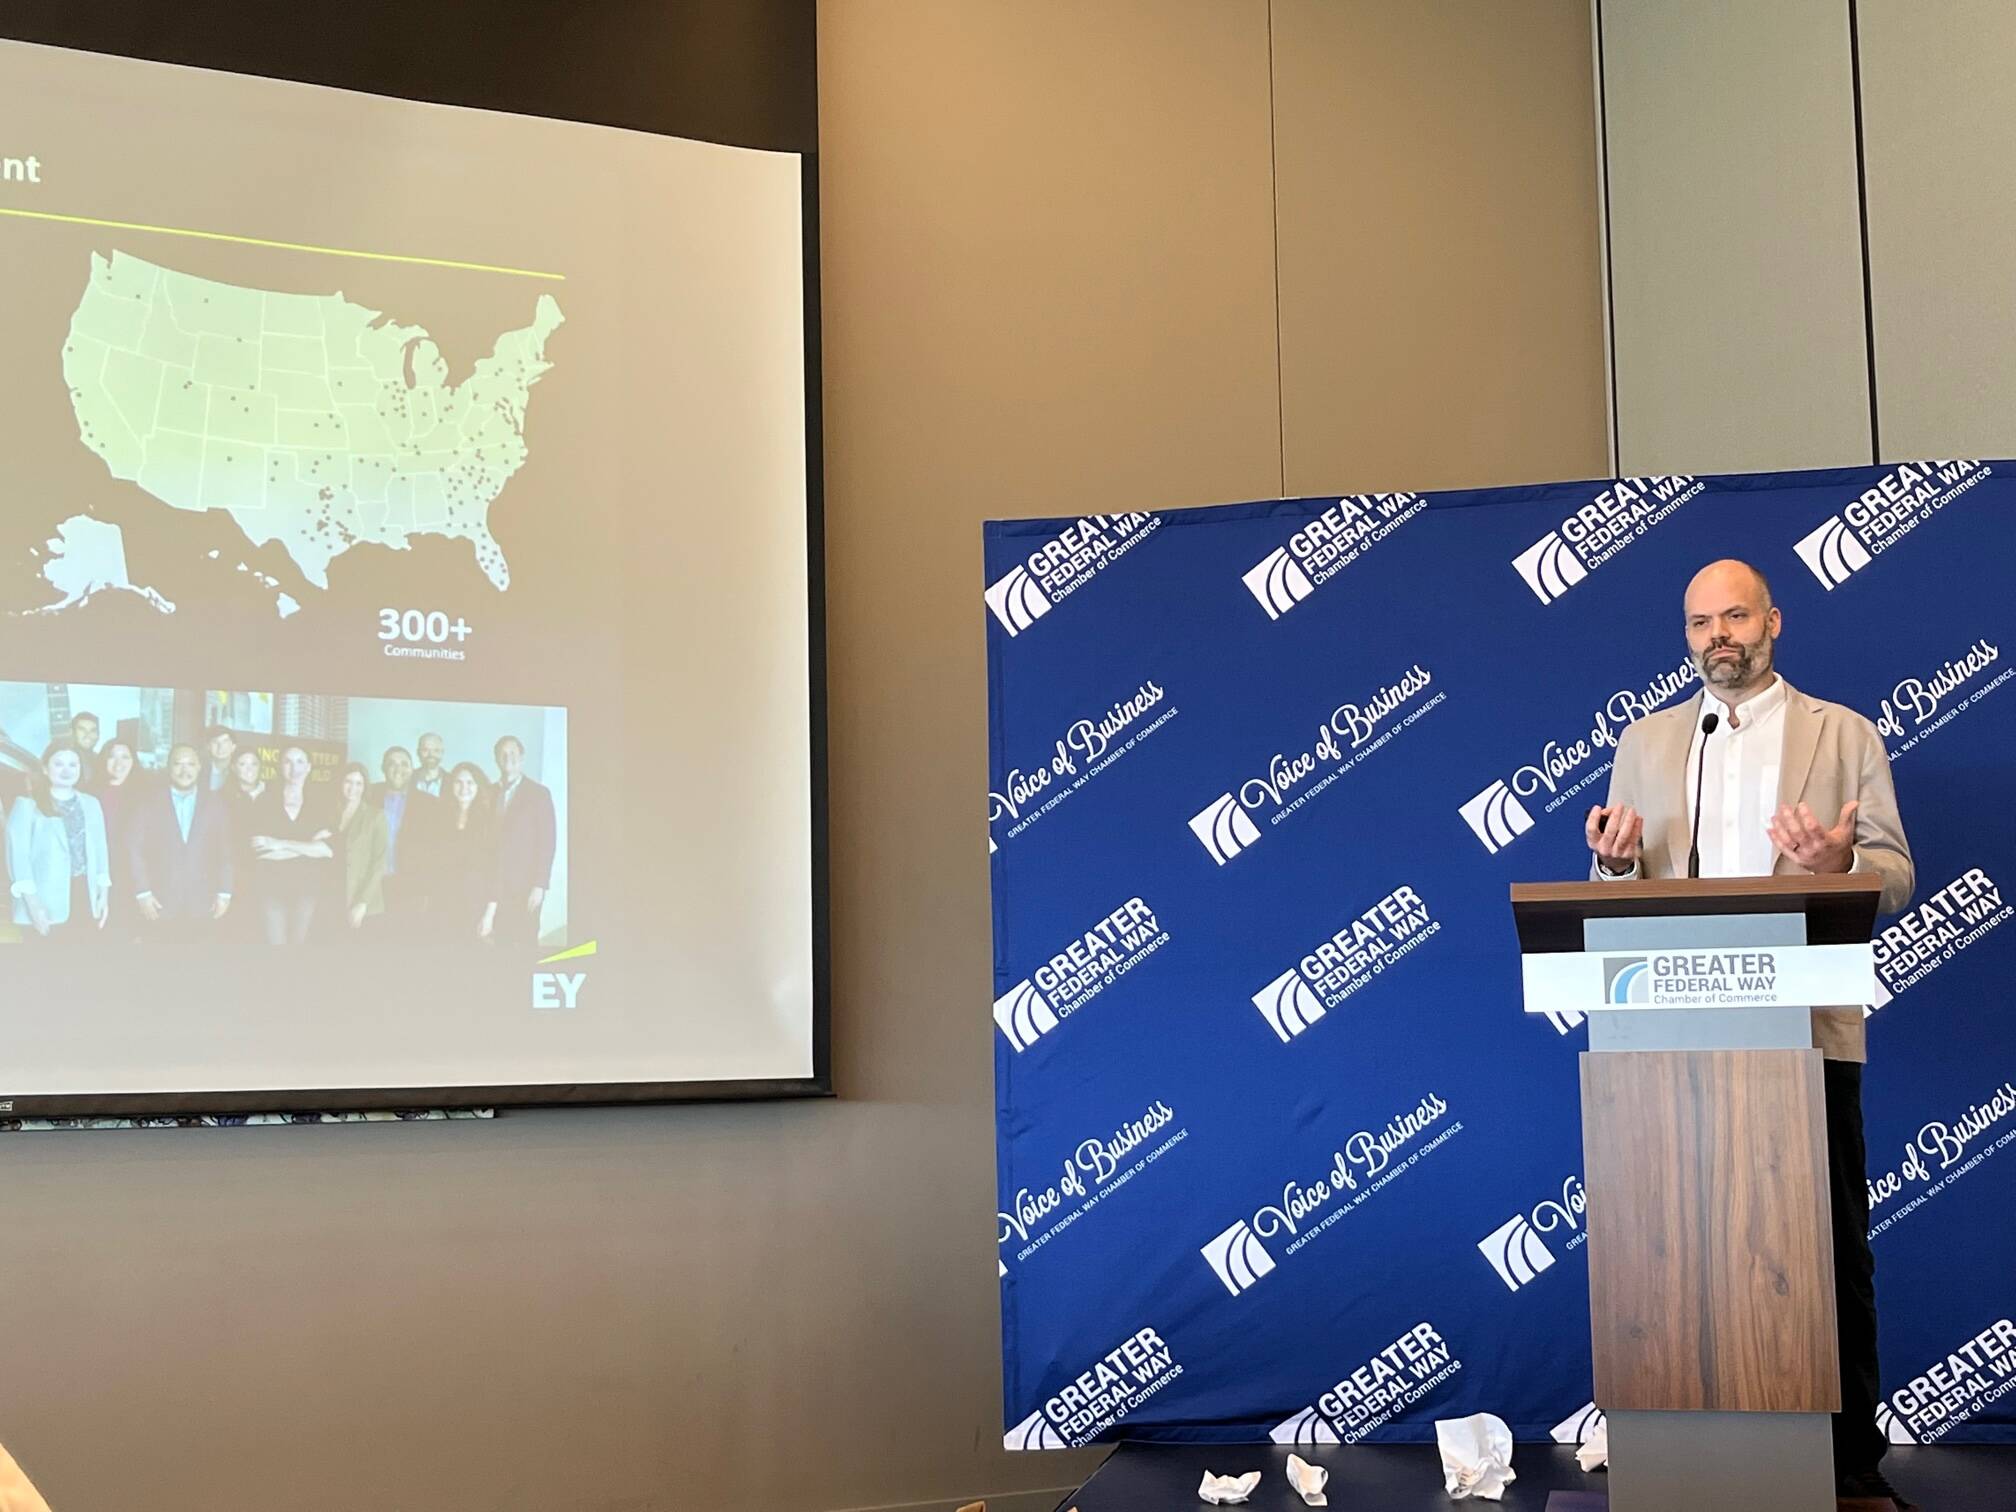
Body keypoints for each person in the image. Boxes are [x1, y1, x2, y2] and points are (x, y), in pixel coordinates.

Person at [1587, 559, 1915, 1512]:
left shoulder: (1842, 733)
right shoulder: (1645, 742)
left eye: (1734, 616)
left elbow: (1894, 875)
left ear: (1773, 621)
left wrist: (1838, 859)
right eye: (1699, 622)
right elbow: (1620, 890)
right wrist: (1609, 872)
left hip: (1806, 1032)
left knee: (1827, 1249)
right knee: (1667, 1246)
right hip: (1664, 1045)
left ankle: (1851, 1465)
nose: (1717, 635)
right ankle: (1680, 1460)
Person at [5, 740, 110, 939]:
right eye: (58, 764)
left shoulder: (91, 803)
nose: (66, 770)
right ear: (45, 768)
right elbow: (18, 859)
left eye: (73, 764)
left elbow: (100, 849)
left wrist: (103, 894)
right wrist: (34, 906)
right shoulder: (27, 805)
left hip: (84, 897)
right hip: (42, 900)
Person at [127, 743, 233, 940]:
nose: (185, 770)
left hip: (203, 902)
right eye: (178, 764)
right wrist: (142, 892)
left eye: (190, 764)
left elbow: (226, 852)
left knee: (199, 965)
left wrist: (224, 892)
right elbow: (135, 849)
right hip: (159, 902)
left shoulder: (215, 803)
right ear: (168, 767)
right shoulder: (148, 802)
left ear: (200, 767)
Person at [247, 745, 332, 945]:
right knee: (276, 948)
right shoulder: (264, 801)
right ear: (279, 767)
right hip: (271, 887)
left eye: (300, 761)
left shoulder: (321, 803)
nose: (294, 768)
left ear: (309, 767)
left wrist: (279, 843)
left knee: (298, 948)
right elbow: (261, 851)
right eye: (287, 761)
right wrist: (308, 847)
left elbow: (326, 850)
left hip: (307, 888)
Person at [491, 735, 556, 947]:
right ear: (496, 759)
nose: (507, 757)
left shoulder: (539, 794)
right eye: (503, 753)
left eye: (513, 753)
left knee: (524, 941)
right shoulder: (489, 792)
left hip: (526, 885)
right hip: (495, 885)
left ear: (522, 758)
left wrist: (540, 885)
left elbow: (547, 842)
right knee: (498, 942)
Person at [372, 745, 439, 930]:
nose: (398, 768)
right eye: (391, 763)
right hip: (373, 886)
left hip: (410, 888)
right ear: (383, 768)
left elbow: (432, 852)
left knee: (406, 945)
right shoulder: (368, 795)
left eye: (404, 764)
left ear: (412, 769)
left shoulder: (429, 804)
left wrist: (426, 891)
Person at [436, 761, 498, 940]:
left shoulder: (490, 820)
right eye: (458, 782)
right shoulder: (440, 817)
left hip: (476, 904)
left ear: (478, 786)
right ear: (451, 786)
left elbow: (496, 870)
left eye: (470, 782)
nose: (464, 788)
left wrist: (489, 914)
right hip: (443, 903)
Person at [91, 738, 144, 935]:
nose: (118, 763)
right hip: (97, 868)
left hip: (129, 871)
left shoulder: (145, 794)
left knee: (124, 928)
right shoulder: (90, 792)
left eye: (125, 757)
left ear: (133, 761)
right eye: (111, 757)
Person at [333, 762, 388, 933]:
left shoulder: (376, 815)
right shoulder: (331, 812)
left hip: (363, 902)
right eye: (348, 781)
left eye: (359, 783)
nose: (353, 787)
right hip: (332, 895)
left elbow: (379, 863)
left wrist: (362, 903)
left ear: (365, 787)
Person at [69, 711, 100, 785]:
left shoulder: (101, 759)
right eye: (82, 730)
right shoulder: (65, 759)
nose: (87, 735)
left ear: (98, 735)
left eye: (92, 731)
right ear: (72, 732)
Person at [413, 732, 448, 797]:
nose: (431, 755)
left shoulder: (452, 781)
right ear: (418, 752)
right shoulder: (408, 779)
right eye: (425, 750)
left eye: (436, 750)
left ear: (442, 753)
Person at [203, 726, 237, 793]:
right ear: (208, 747)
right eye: (215, 742)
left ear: (233, 746)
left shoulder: (240, 770)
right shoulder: (200, 771)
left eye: (225, 742)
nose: (220, 747)